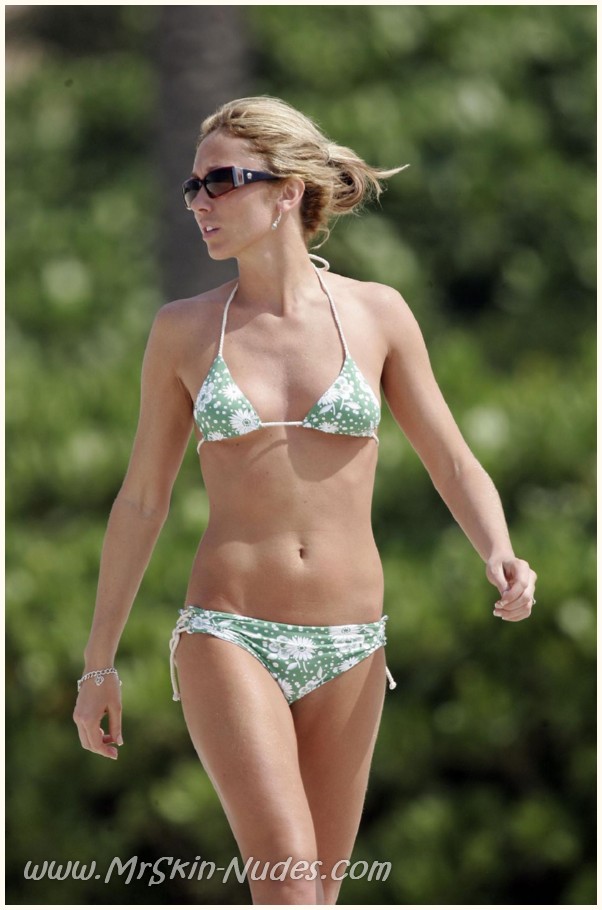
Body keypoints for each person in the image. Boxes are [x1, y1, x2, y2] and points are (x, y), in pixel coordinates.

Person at [73, 96, 537, 905]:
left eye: (222, 181)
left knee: (319, 894)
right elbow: (142, 501)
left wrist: (498, 547)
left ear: (287, 191)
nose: (200, 202)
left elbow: (453, 460)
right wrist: (97, 665)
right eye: (193, 186)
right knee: (287, 881)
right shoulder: (184, 331)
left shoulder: (378, 313)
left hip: (353, 641)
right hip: (229, 633)